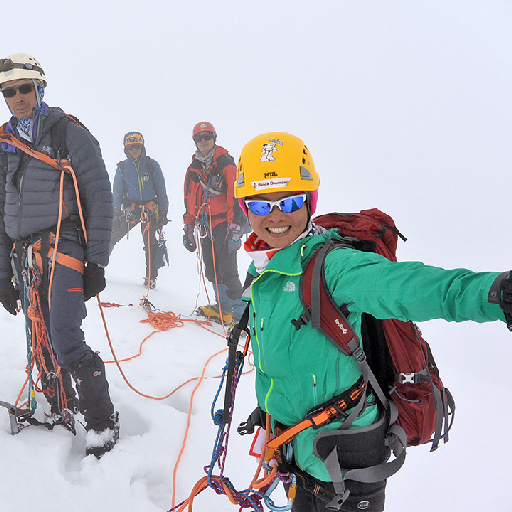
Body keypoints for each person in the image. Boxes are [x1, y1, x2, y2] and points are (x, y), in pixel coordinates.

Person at [234, 131, 511, 512]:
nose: (276, 216)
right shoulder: (267, 272)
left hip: (348, 471)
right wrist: (271, 412)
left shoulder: (333, 267)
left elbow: (410, 287)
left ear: (309, 202)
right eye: (261, 204)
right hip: (296, 458)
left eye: (290, 200)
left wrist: (493, 293)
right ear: (245, 208)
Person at [0, 53, 118, 457]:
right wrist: (2, 273)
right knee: (38, 337)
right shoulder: (4, 145)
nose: (17, 98)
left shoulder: (69, 135)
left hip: (63, 246)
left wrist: (97, 261)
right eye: (9, 92)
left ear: (40, 89)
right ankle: (56, 405)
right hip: (22, 256)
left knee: (65, 337)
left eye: (24, 89)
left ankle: (101, 422)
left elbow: (100, 198)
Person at [183, 122, 247, 324]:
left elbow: (235, 196)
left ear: (214, 138)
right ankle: (223, 307)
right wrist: (189, 227)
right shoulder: (194, 168)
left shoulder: (225, 163)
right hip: (204, 224)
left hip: (224, 224)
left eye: (207, 137)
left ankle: (239, 313)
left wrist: (235, 227)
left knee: (228, 269)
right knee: (211, 268)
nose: (203, 141)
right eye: (199, 138)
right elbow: (190, 198)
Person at [110, 132, 169, 289]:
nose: (134, 150)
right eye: (130, 147)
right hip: (131, 209)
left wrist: (163, 212)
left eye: (137, 147)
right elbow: (116, 190)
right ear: (126, 149)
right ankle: (98, 267)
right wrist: (116, 210)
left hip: (150, 210)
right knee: (111, 236)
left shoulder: (151, 165)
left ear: (142, 147)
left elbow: (161, 190)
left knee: (151, 245)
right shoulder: (122, 168)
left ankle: (151, 278)